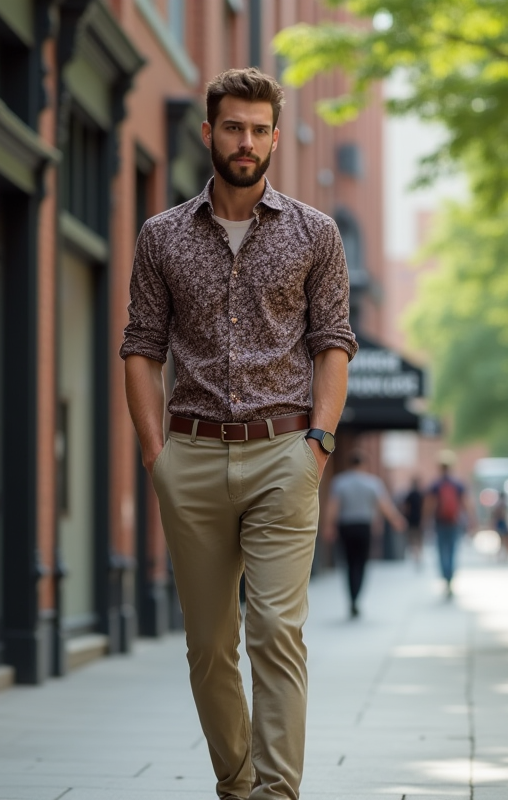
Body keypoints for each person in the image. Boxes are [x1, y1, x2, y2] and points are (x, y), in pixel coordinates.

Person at [120, 68, 357, 800]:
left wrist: (316, 444)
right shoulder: (161, 235)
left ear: (276, 138)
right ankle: (238, 782)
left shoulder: (316, 233)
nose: (246, 141)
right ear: (209, 134)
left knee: (276, 635)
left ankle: (277, 795)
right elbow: (141, 348)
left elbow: (333, 345)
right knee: (209, 647)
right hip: (188, 457)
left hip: (284, 454)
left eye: (259, 129)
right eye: (233, 127)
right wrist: (156, 456)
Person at [326, 451, 407, 618]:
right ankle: (356, 598)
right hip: (364, 527)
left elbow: (333, 506)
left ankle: (352, 598)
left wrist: (329, 526)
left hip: (346, 526)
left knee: (349, 563)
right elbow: (385, 505)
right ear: (364, 464)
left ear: (350, 464)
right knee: (361, 563)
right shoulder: (372, 483)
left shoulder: (339, 482)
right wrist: (396, 520)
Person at [425, 451, 471, 599]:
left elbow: (429, 505)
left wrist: (425, 519)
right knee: (452, 551)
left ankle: (445, 577)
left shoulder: (436, 484)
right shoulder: (457, 484)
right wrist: (471, 520)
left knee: (441, 551)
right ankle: (450, 578)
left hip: (440, 522)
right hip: (454, 522)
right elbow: (466, 503)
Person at [399, 477, 425, 567]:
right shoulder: (422, 495)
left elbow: (405, 507)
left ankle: (416, 556)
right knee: (419, 540)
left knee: (413, 540)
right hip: (420, 520)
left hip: (411, 520)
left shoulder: (410, 495)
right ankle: (418, 556)